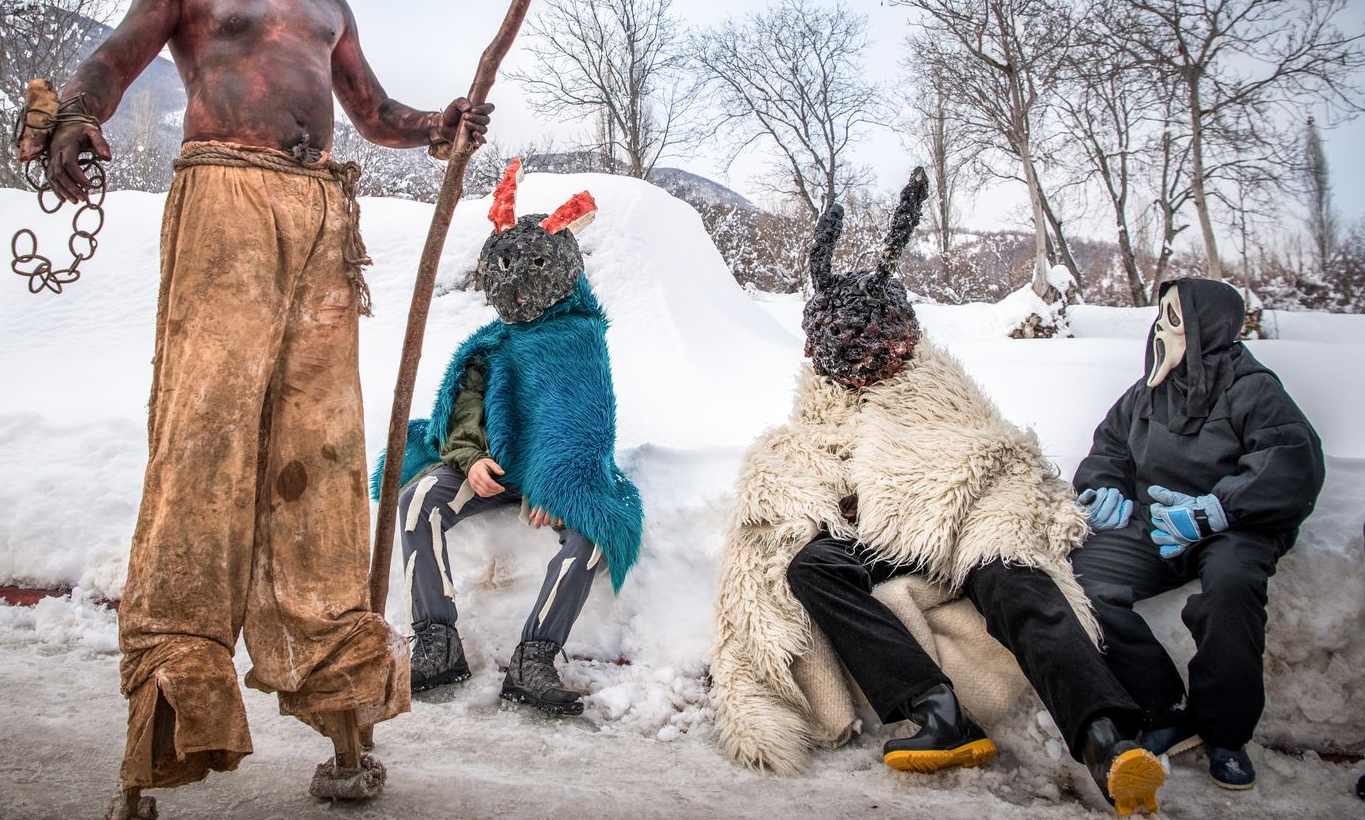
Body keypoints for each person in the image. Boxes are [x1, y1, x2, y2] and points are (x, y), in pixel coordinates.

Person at [22, 0, 493, 817]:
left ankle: (343, 732)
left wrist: (443, 125)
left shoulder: (327, 5)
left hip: (322, 223)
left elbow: (372, 115)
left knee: (321, 458)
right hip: (224, 208)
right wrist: (75, 119)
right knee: (205, 446)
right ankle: (155, 746)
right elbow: (108, 61)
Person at [711, 170, 1168, 816]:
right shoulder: (824, 396)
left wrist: (957, 505)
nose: (861, 368)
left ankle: (1106, 740)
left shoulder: (934, 382)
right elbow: (812, 455)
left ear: (898, 342)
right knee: (813, 566)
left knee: (1012, 577)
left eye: (872, 351)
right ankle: (934, 705)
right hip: (880, 537)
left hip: (955, 526)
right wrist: (838, 503)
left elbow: (980, 450)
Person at [376, 160, 641, 716]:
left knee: (592, 534)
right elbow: (466, 408)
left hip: (558, 471)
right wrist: (469, 459)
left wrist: (558, 485)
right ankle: (436, 642)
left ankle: (535, 658)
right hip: (493, 467)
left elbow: (586, 421)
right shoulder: (493, 341)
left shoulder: (580, 338)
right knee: (419, 498)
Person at [1071, 277, 1324, 792]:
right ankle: (1164, 708)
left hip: (1234, 527)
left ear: (1209, 324)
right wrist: (1103, 489)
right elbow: (1109, 451)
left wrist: (1219, 509)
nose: (1160, 327)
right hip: (1160, 525)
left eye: (1174, 315)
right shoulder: (1147, 393)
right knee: (1082, 582)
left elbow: (1292, 462)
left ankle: (1225, 732)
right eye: (1160, 315)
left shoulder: (1254, 388)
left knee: (1231, 591)